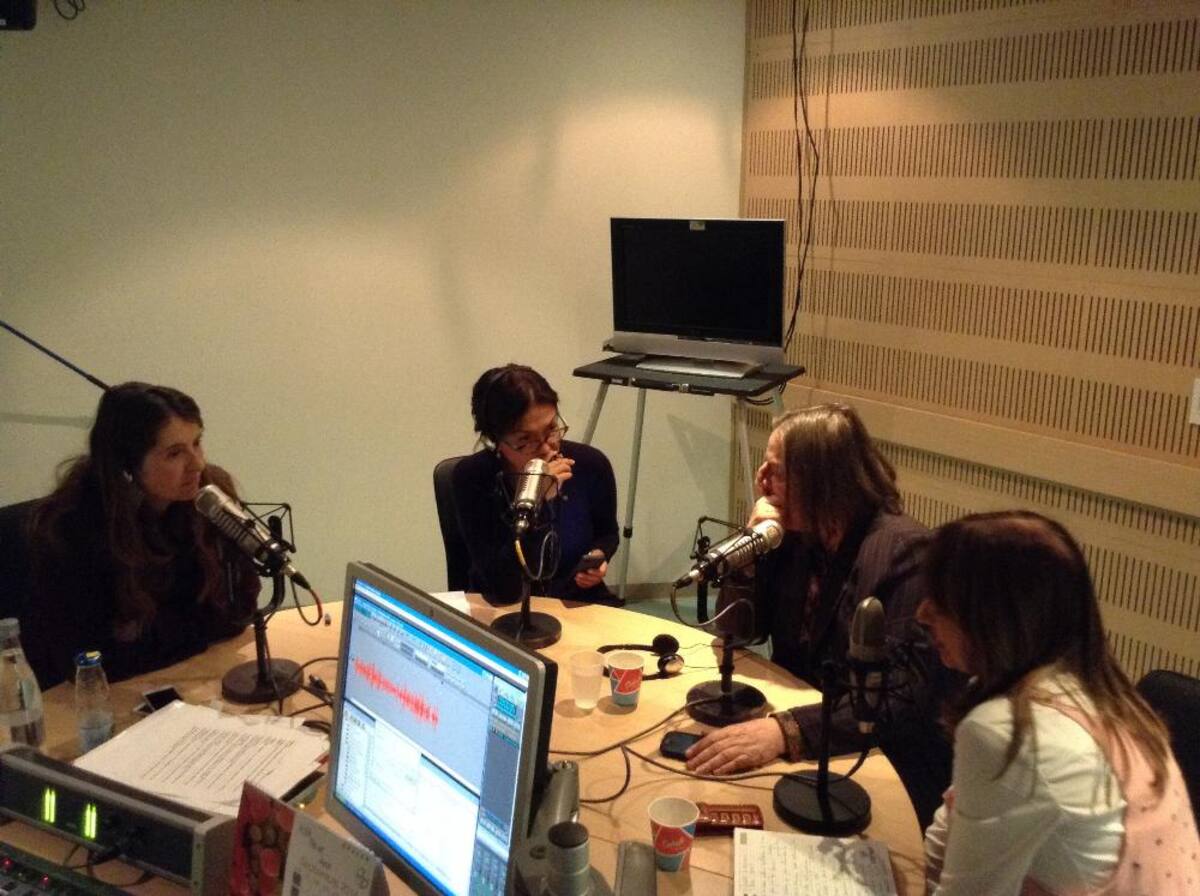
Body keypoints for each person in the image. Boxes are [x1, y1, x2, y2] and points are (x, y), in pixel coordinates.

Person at [685, 403, 961, 830]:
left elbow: (900, 696)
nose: (761, 481)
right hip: (807, 724)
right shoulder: (798, 537)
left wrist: (785, 731)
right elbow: (737, 631)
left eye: (775, 471)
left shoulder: (903, 551)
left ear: (821, 478)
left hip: (881, 759)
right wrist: (748, 555)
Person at [920, 511, 1200, 895]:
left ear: (996, 615)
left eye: (941, 600)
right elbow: (954, 823)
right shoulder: (1095, 698)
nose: (922, 613)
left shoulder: (1010, 730)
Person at [24, 382, 260, 687]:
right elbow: (94, 658)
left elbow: (239, 608)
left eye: (197, 443)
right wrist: (196, 627)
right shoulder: (71, 529)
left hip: (194, 677)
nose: (197, 464)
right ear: (127, 466)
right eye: (174, 453)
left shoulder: (210, 497)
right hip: (102, 697)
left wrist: (161, 634)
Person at [452, 364, 619, 605]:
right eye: (525, 440)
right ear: (495, 441)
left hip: (576, 600)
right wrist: (537, 501)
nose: (547, 447)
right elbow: (504, 587)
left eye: (551, 429)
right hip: (504, 605)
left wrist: (599, 556)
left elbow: (607, 533)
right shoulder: (472, 477)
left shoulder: (590, 464)